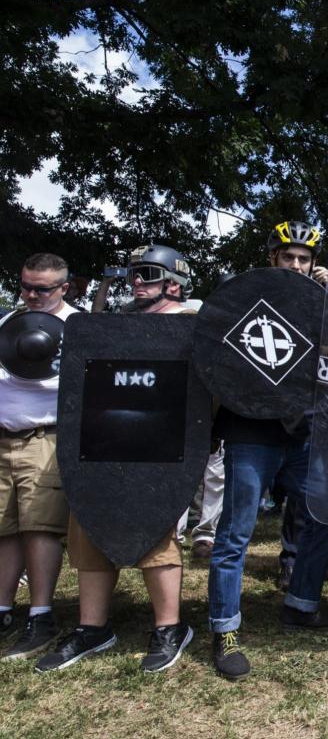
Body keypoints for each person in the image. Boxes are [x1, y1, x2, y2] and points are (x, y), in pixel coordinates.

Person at [35, 245, 196, 673]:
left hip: (161, 449)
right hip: (101, 442)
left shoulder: (192, 328)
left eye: (147, 273)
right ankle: (93, 627)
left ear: (174, 283)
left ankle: (168, 627)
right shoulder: (108, 327)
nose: (136, 281)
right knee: (88, 527)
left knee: (156, 535)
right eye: (133, 274)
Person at [209, 221, 328, 681]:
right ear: (273, 258)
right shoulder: (242, 295)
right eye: (288, 257)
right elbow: (215, 355)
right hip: (251, 432)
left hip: (302, 433)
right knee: (236, 533)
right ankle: (225, 630)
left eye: (304, 258)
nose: (297, 265)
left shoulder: (320, 303)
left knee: (327, 514)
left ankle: (301, 605)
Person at [0, 253, 78, 660]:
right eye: (26, 286)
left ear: (64, 287)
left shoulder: (79, 328)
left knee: (39, 526)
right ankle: (3, 609)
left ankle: (42, 614)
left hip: (46, 437)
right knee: (5, 526)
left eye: (42, 289)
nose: (31, 295)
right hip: (3, 437)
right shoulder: (6, 322)